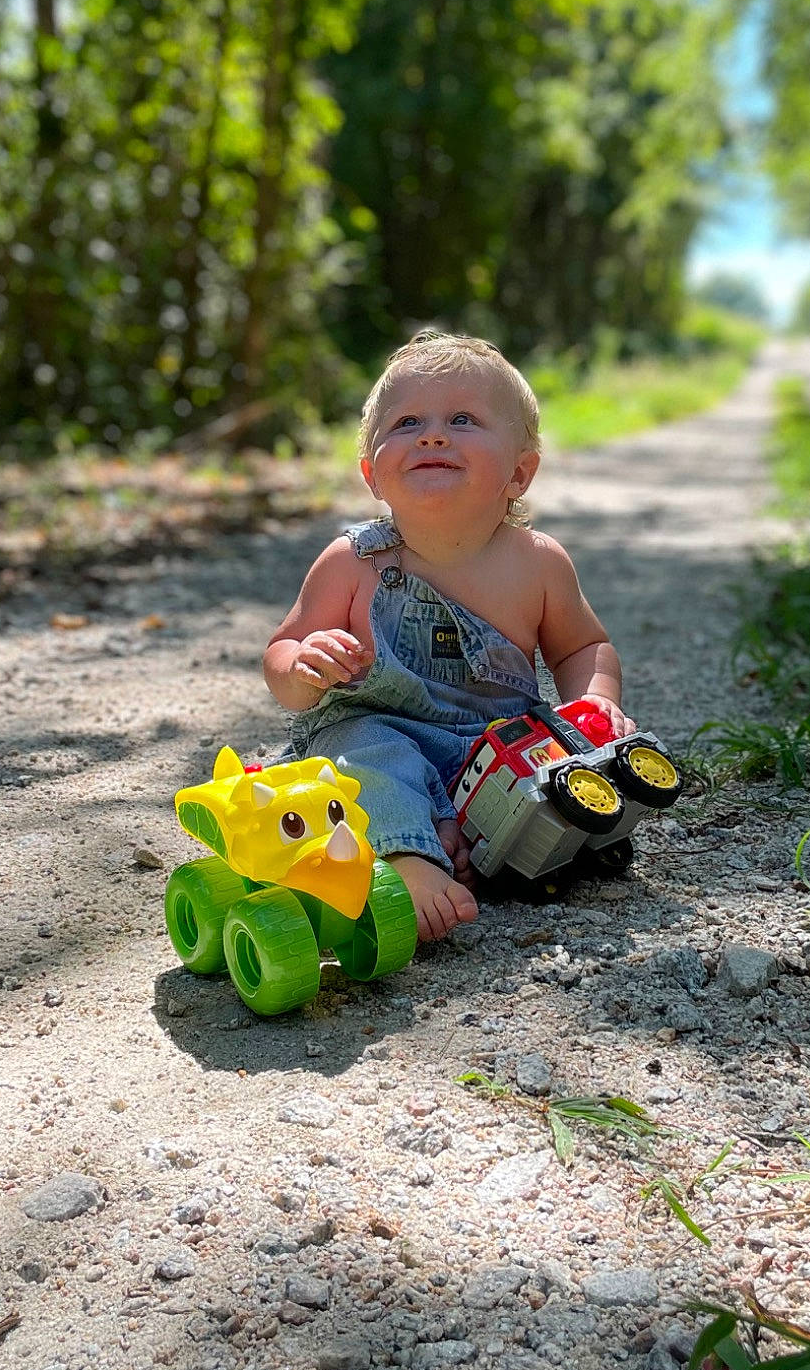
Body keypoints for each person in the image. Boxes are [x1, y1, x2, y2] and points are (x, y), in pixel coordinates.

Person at [263, 331, 633, 941]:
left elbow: (582, 648)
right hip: (381, 731)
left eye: (462, 419)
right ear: (372, 475)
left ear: (518, 473)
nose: (432, 435)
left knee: (565, 784)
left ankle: (470, 837)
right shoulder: (351, 563)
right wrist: (302, 664)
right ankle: (410, 856)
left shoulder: (538, 564)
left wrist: (595, 703)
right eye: (407, 422)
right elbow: (281, 655)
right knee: (362, 759)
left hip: (495, 744)